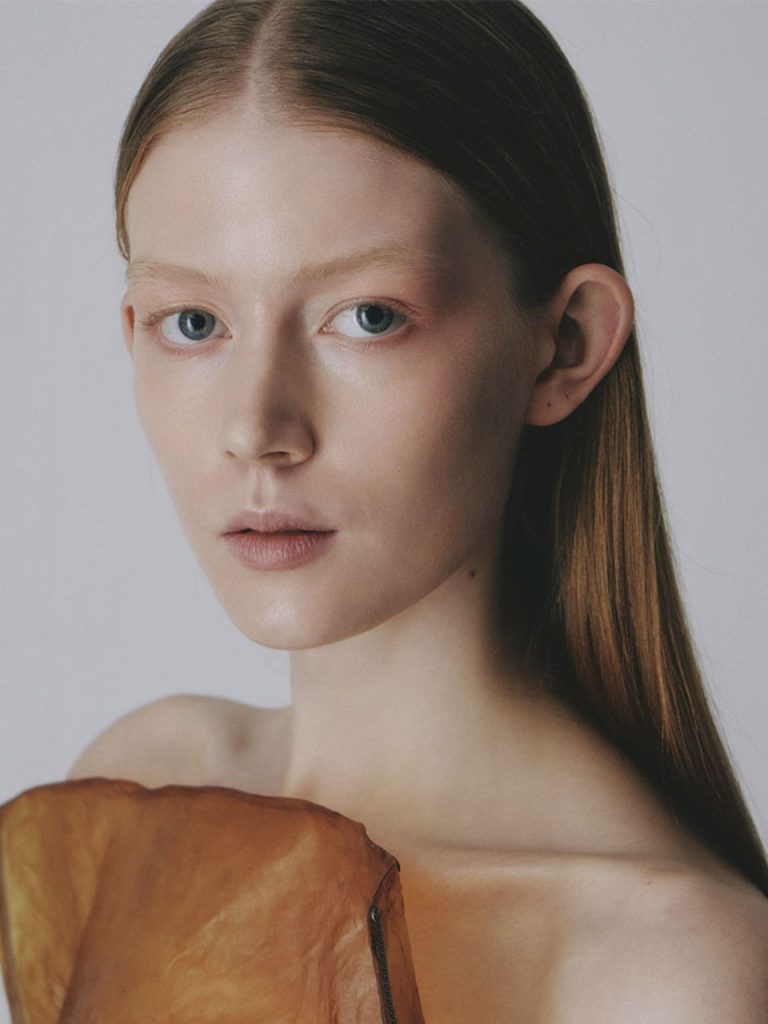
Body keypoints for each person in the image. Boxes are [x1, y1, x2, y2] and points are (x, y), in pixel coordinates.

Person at [2, 1, 767, 1020]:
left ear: (567, 345)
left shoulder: (666, 970)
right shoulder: (137, 788)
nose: (257, 428)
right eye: (193, 322)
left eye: (367, 317)